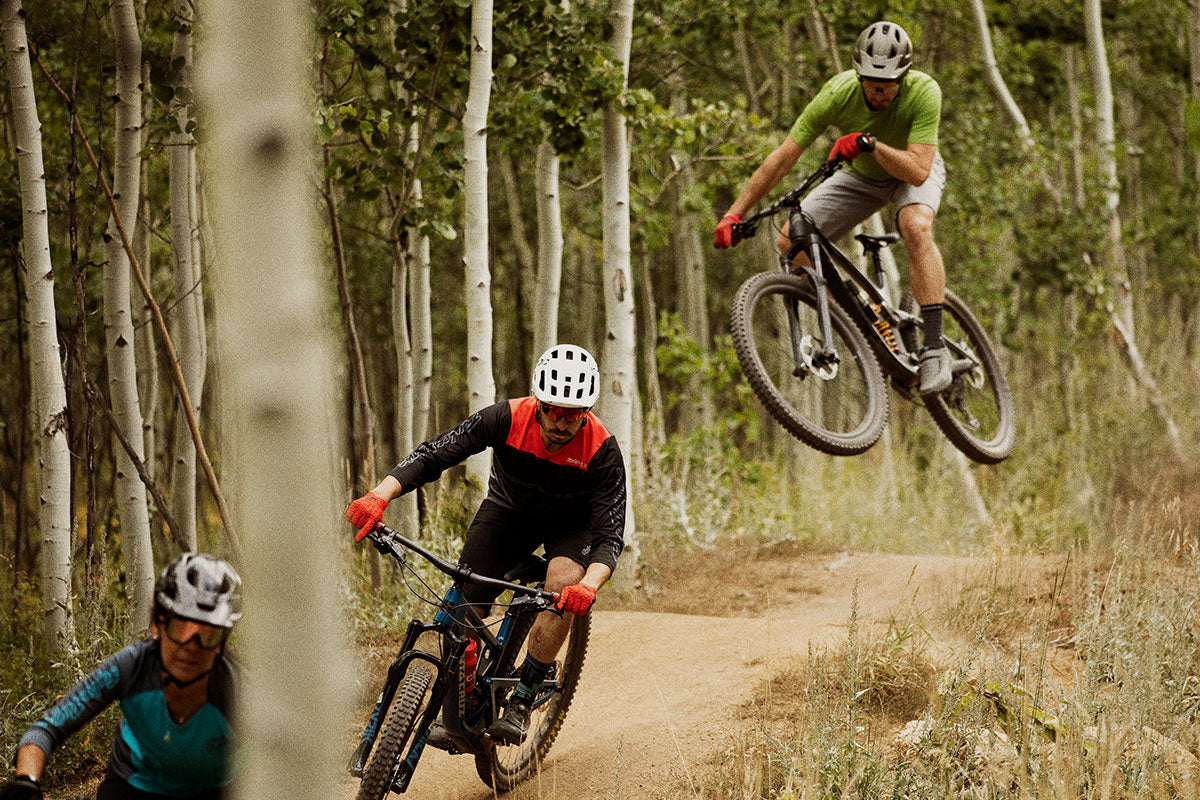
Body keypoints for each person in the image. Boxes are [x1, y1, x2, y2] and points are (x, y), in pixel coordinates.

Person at [346, 343, 626, 747]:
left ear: (587, 412)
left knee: (563, 586)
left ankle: (523, 699)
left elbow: (609, 536)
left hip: (571, 525)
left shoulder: (601, 449)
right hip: (508, 511)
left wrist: (590, 585)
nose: (564, 424)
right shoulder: (506, 418)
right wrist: (379, 495)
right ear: (539, 404)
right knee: (463, 605)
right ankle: (468, 695)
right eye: (555, 412)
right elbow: (435, 454)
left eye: (575, 415)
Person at [714, 21, 952, 396]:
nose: (878, 89)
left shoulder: (925, 92)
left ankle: (935, 347)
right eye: (871, 80)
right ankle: (862, 327)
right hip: (861, 176)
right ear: (858, 74)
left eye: (888, 82)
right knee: (791, 241)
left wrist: (872, 144)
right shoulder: (837, 93)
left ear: (903, 76)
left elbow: (919, 171)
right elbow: (783, 157)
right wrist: (735, 213)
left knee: (915, 224)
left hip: (910, 169)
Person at [2, 554, 243, 800]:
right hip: (136, 782)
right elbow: (47, 729)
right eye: (180, 627)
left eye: (208, 634)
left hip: (212, 789)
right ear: (156, 625)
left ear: (222, 642)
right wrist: (27, 781)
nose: (191, 646)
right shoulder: (132, 666)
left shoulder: (237, 686)